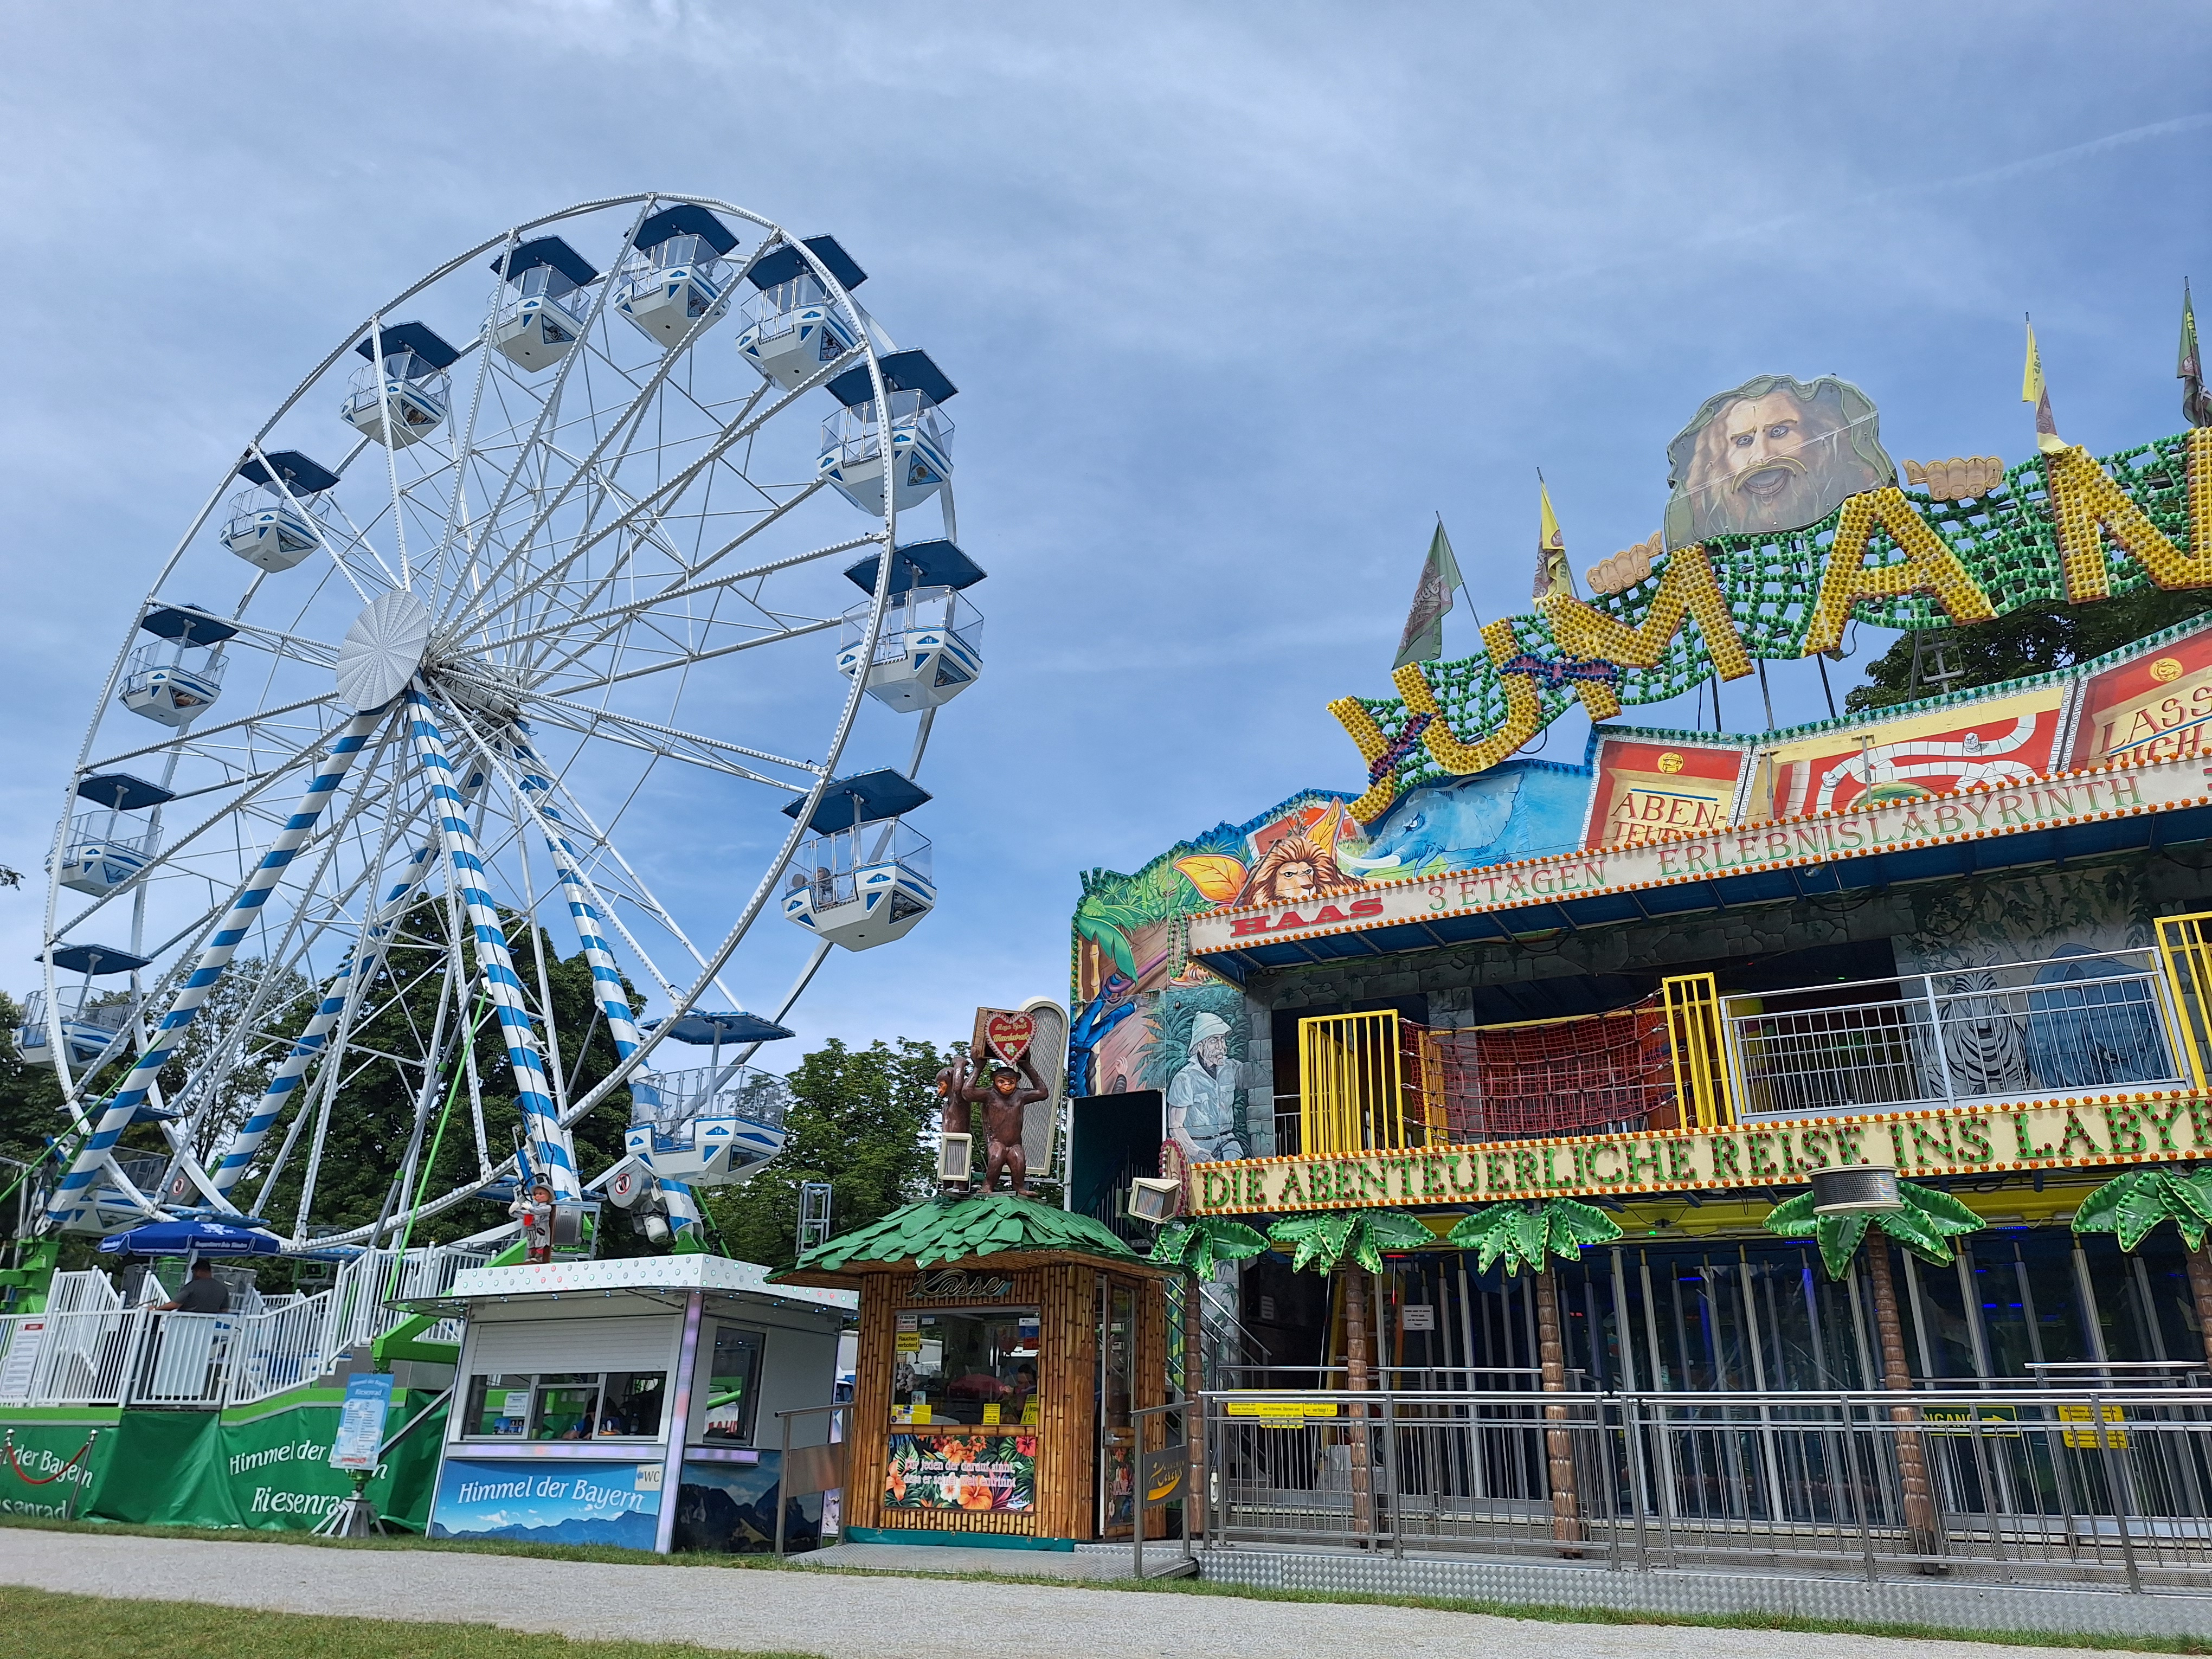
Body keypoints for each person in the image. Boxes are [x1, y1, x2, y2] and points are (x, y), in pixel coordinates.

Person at [1663, 374, 1893, 544]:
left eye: (1779, 432)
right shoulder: (1705, 521)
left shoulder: (1864, 487)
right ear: (1717, 460)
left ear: (1817, 434)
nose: (1762, 457)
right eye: (1743, 441)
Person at [961, 1049, 1048, 1195]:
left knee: (1019, 1161)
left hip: (1014, 1143)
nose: (1007, 1086)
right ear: (994, 1081)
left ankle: (1019, 1188)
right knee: (996, 1158)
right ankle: (987, 1186)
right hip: (997, 1141)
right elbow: (967, 1093)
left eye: (1011, 1082)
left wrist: (1027, 1066)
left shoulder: (1020, 1095)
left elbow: (1043, 1093)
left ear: (1016, 1081)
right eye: (1001, 1082)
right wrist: (978, 1068)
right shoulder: (990, 1094)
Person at [1166, 1011, 1246, 1162]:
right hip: (1200, 1155)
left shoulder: (1232, 1068)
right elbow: (1175, 1125)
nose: (1221, 1046)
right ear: (1200, 1045)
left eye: (1222, 1040)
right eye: (1214, 1041)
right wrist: (1194, 1150)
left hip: (1231, 1151)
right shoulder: (1185, 1078)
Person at [158, 1259, 229, 1315]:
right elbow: (224, 1310)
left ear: (198, 1271)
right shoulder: (222, 1288)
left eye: (193, 1272)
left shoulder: (192, 1286)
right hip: (208, 1326)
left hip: (184, 1324)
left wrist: (157, 1309)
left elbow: (175, 1305)